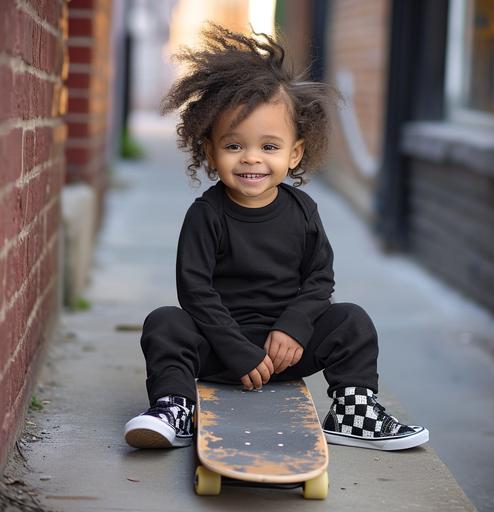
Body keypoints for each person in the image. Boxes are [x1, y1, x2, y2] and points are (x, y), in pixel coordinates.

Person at [124, 23, 429, 452]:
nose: (252, 158)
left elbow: (319, 279)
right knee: (164, 323)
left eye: (269, 146)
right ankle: (174, 407)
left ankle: (352, 411)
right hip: (218, 350)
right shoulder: (206, 215)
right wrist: (235, 350)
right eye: (234, 146)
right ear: (209, 152)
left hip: (285, 352)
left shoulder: (303, 211)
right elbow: (195, 291)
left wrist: (294, 328)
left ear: (295, 152)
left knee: (352, 320)